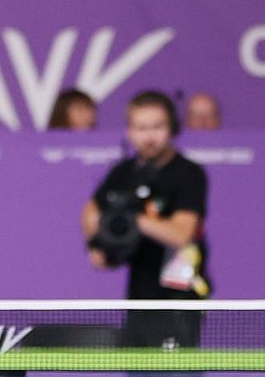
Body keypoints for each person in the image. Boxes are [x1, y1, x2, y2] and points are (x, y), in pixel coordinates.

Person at [82, 89, 210, 349]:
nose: (149, 136)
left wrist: (134, 219)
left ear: (172, 128)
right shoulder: (123, 173)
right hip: (138, 299)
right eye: (141, 128)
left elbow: (181, 234)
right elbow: (90, 214)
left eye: (157, 127)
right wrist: (98, 244)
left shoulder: (188, 173)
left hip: (179, 301)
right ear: (129, 131)